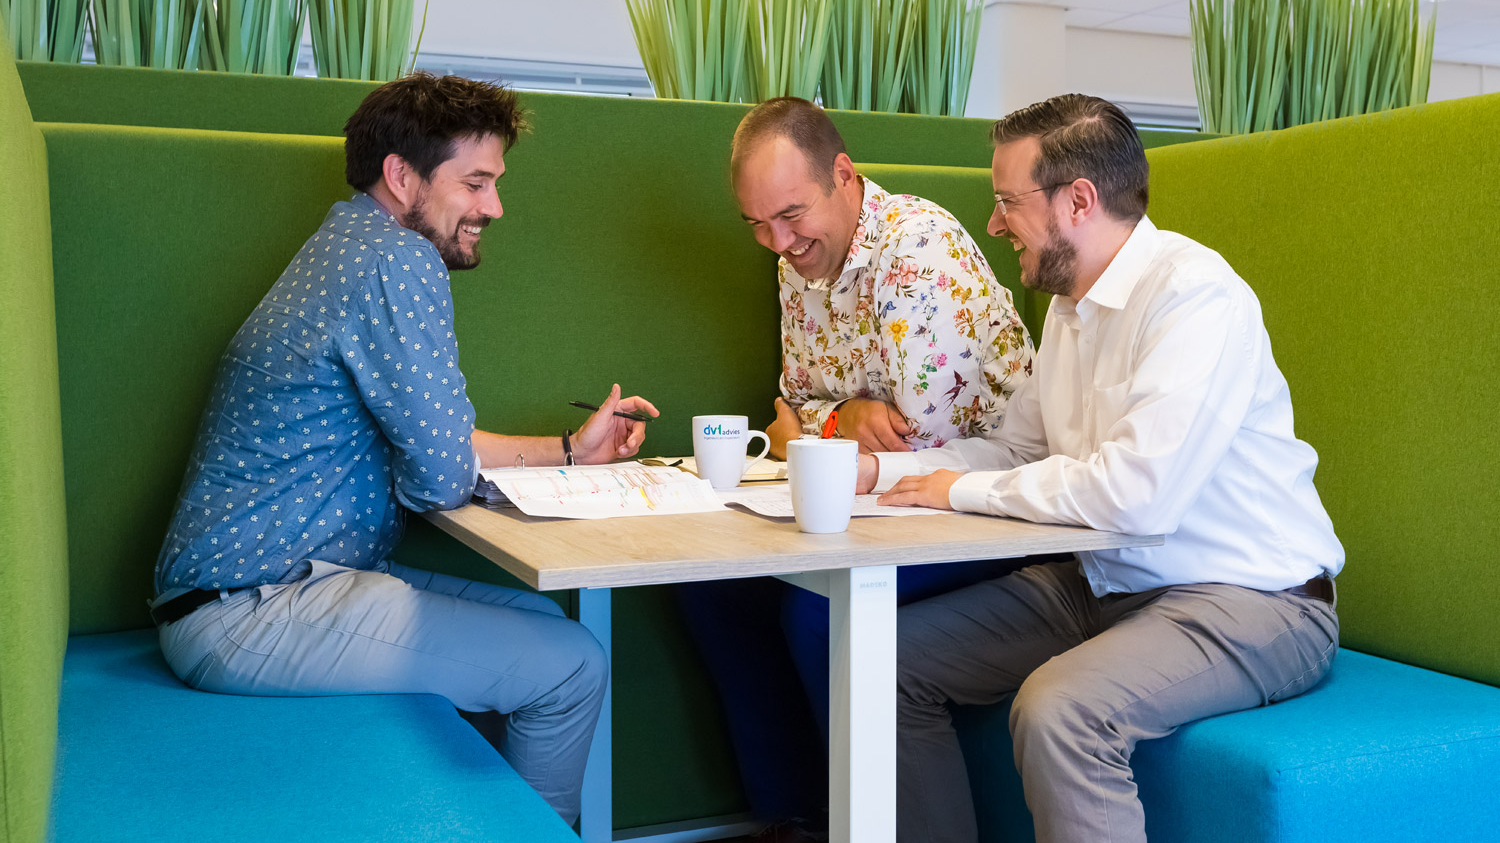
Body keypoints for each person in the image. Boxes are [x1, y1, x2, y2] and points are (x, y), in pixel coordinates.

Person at [150, 72, 657, 825]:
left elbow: (437, 443)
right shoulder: (395, 260)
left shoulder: (347, 242)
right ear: (401, 175)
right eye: (475, 183)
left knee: (552, 627)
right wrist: (466, 465)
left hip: (253, 592)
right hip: (249, 611)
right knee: (572, 668)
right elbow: (440, 477)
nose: (494, 207)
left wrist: (569, 450)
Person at [863, 93, 1345, 843]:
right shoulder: (1069, 309)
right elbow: (1020, 451)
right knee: (878, 659)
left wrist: (960, 491)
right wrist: (879, 475)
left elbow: (1136, 497)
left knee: (1061, 711)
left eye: (1007, 202)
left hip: (1254, 599)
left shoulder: (1196, 297)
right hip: (1107, 583)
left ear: (1078, 201)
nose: (994, 224)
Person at [675, 96, 1037, 836]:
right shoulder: (798, 263)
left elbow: (913, 442)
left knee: (819, 609)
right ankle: (796, 816)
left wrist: (820, 426)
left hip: (982, 501)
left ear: (843, 174)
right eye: (757, 223)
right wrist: (843, 418)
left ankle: (858, 821)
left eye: (790, 214)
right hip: (881, 502)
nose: (778, 241)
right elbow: (795, 405)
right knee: (709, 583)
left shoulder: (918, 249)